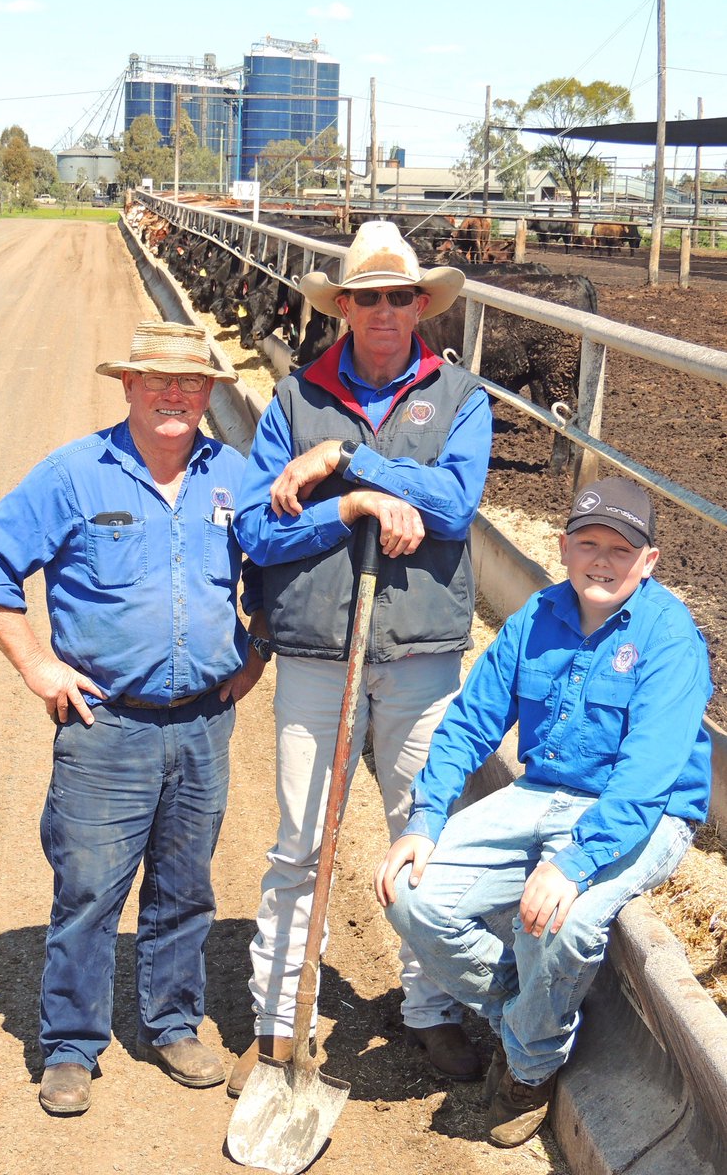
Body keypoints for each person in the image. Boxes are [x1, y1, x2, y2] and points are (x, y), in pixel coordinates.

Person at [0, 320, 267, 1116]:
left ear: (208, 394)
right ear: (127, 385)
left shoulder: (233, 475)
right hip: (106, 725)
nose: (174, 395)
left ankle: (172, 1024)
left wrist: (256, 651)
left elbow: (275, 568)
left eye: (191, 383)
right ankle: (69, 1045)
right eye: (158, 380)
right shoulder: (72, 475)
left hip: (202, 723)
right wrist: (35, 664)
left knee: (185, 886)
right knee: (90, 888)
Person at [229, 220, 493, 1095]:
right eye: (366, 296)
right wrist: (347, 513)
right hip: (313, 651)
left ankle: (431, 1009)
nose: (383, 311)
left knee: (419, 837)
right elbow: (261, 532)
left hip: (419, 652)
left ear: (422, 304)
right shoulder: (294, 397)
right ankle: (278, 1023)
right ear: (342, 306)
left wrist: (351, 464)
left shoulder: (459, 397)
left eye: (398, 296)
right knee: (299, 845)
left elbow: (454, 508)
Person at [375, 476, 712, 1147]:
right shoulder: (536, 617)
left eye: (621, 550)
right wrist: (425, 819)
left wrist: (572, 863)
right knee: (406, 894)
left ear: (648, 562)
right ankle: (524, 1009)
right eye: (588, 544)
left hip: (642, 813)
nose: (602, 561)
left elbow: (644, 777)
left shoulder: (668, 637)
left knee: (564, 923)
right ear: (562, 548)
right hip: (539, 792)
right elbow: (469, 723)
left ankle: (527, 1071)